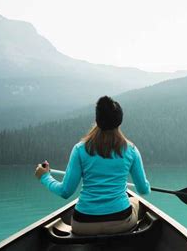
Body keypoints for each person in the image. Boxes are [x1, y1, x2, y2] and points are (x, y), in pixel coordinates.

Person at [34, 96, 150, 235]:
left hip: (83, 224)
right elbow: (143, 189)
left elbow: (65, 192)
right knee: (135, 201)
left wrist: (45, 177)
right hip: (120, 222)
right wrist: (146, 186)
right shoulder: (131, 150)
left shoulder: (79, 149)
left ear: (97, 120)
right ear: (120, 121)